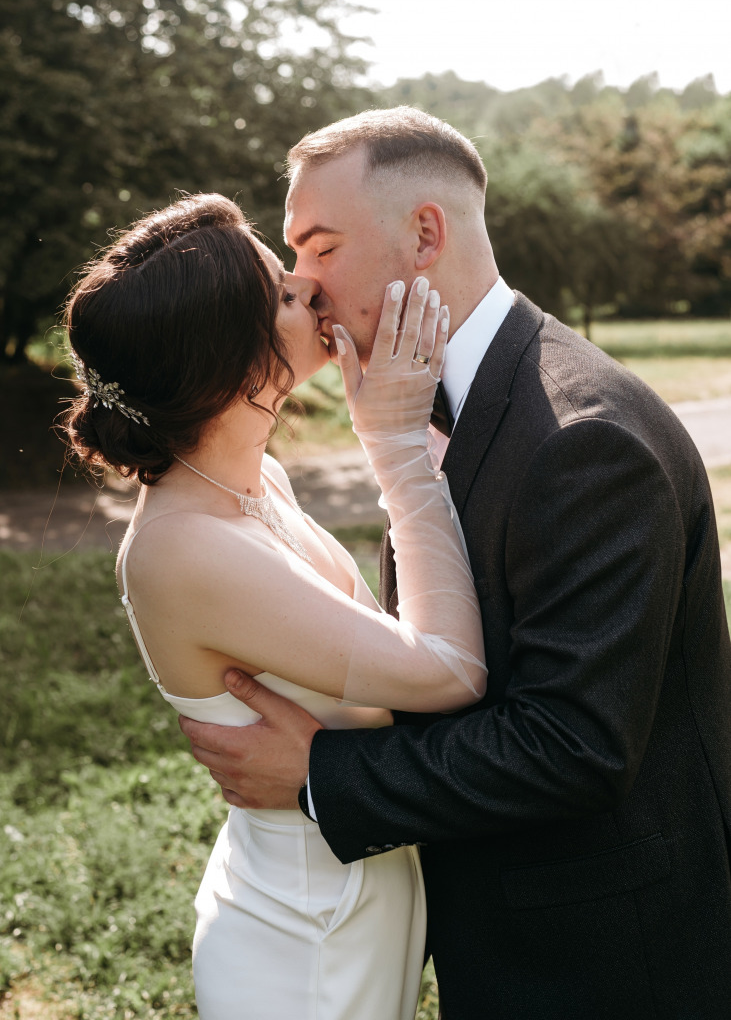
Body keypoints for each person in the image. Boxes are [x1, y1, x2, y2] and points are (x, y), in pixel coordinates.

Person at [180, 108, 731, 1020]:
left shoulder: (583, 442)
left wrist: (323, 775)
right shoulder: (424, 397)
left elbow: (574, 745)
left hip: (606, 955)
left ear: (424, 234)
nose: (300, 284)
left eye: (319, 247)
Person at [60, 191, 488, 1020]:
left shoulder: (255, 485)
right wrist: (395, 445)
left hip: (353, 896)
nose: (310, 288)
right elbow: (450, 672)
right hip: (304, 944)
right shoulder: (186, 548)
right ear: (235, 363)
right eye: (284, 295)